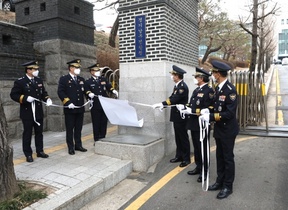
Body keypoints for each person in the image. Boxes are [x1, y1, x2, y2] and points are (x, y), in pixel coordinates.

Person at [201, 60, 239, 199]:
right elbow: (216, 106)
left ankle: (228, 186)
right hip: (219, 129)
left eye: (213, 72)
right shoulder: (218, 88)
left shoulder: (230, 90)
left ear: (218, 74)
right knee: (219, 156)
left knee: (228, 158)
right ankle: (219, 181)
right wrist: (207, 110)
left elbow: (229, 114)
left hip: (228, 130)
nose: (212, 74)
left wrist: (210, 116)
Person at [10, 61, 52, 162]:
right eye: (35, 69)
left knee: (39, 132)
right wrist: (25, 98)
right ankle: (28, 154)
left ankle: (40, 151)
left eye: (37, 69)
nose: (37, 71)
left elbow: (43, 93)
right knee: (27, 133)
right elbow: (13, 95)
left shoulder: (38, 80)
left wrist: (47, 99)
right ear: (28, 70)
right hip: (27, 112)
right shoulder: (20, 82)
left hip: (38, 111)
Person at [178, 67, 214, 182]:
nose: (195, 79)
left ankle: (205, 171)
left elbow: (209, 108)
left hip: (202, 124)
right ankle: (198, 167)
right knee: (197, 148)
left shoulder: (209, 91)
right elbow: (192, 103)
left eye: (196, 77)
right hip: (194, 123)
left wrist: (194, 111)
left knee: (203, 148)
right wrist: (185, 108)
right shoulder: (197, 90)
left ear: (202, 78)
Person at [153, 65, 190, 168]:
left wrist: (162, 104)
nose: (172, 76)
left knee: (183, 137)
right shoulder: (177, 86)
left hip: (181, 116)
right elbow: (172, 97)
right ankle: (179, 156)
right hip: (176, 115)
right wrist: (163, 105)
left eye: (173, 75)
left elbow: (175, 99)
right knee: (178, 137)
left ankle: (186, 158)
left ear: (177, 76)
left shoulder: (182, 86)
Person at [57, 59, 87, 155]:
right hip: (70, 108)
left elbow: (85, 91)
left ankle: (78, 145)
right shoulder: (64, 79)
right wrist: (67, 102)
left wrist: (89, 96)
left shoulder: (81, 79)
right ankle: (70, 147)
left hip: (80, 108)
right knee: (70, 129)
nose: (78, 69)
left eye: (79, 67)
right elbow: (60, 92)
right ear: (71, 68)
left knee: (78, 128)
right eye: (76, 67)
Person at [84, 63, 118, 143]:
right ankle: (97, 140)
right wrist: (89, 94)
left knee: (103, 122)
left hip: (104, 105)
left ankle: (103, 137)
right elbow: (86, 91)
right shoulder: (88, 82)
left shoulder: (103, 79)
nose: (98, 72)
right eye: (96, 70)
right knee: (96, 123)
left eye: (98, 70)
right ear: (91, 72)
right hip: (95, 105)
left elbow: (108, 86)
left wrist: (113, 90)